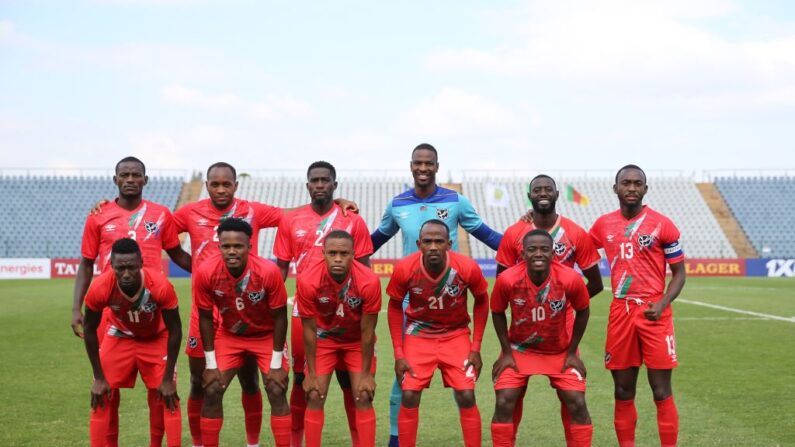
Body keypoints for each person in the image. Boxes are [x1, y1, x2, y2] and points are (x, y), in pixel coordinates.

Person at [371, 143, 502, 447]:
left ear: (437, 166)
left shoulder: (455, 201)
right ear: (411, 166)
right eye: (418, 163)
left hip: (449, 293)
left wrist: (520, 243)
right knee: (403, 380)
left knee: (463, 386)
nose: (423, 168)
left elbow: (485, 233)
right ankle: (396, 438)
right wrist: (343, 236)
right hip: (410, 300)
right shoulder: (397, 204)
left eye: (429, 163)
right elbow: (375, 239)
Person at [73, 156, 191, 447]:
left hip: (153, 305)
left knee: (159, 391)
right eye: (124, 175)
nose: (129, 179)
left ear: (145, 180)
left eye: (135, 175)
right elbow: (87, 264)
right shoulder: (98, 215)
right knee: (106, 390)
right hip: (110, 311)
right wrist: (76, 308)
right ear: (115, 180)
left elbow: (177, 254)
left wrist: (211, 269)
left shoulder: (161, 214)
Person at [174, 162, 282, 447]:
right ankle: (199, 442)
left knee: (252, 382)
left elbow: (293, 217)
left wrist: (334, 204)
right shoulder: (188, 212)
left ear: (235, 185)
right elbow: (161, 234)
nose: (221, 189)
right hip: (208, 310)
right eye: (214, 184)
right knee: (201, 383)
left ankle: (253, 442)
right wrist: (194, 266)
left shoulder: (253, 211)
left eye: (226, 184)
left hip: (248, 309)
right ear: (207, 185)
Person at [495, 174, 603, 443]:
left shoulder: (576, 233)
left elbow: (596, 284)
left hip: (561, 336)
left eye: (548, 189)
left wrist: (563, 303)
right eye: (537, 190)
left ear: (556, 194)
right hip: (521, 339)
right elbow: (502, 285)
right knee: (508, 397)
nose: (543, 193)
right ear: (529, 196)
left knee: (575, 400)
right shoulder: (514, 233)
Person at [273, 161, 373, 446]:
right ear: (307, 185)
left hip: (349, 313)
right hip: (306, 312)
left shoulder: (352, 220)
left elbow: (365, 267)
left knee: (351, 384)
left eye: (325, 180)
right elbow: (280, 269)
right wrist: (269, 303)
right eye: (314, 180)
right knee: (303, 381)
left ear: (334, 185)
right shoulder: (290, 220)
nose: (320, 185)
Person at [589, 165, 686, 447]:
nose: (631, 188)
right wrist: (535, 222)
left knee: (660, 389)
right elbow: (577, 247)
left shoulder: (662, 224)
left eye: (637, 183)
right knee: (622, 390)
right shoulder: (602, 225)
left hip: (654, 313)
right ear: (615, 188)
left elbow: (679, 273)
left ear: (645, 189)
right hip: (621, 311)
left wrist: (663, 302)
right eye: (626, 183)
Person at [386, 220, 489, 447]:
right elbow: (394, 307)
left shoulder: (466, 267)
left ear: (449, 244)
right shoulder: (405, 268)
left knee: (466, 394)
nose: (433, 246)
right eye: (428, 241)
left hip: (456, 334)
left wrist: (476, 348)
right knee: (410, 394)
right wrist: (398, 353)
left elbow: (482, 300)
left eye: (439, 241)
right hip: (419, 334)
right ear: (419, 244)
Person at [490, 230, 593, 447]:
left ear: (553, 253)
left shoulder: (570, 278)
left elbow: (583, 310)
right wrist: (506, 352)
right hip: (519, 350)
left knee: (577, 402)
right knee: (504, 400)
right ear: (523, 253)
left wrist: (573, 352)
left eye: (544, 249)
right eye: (532, 249)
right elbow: (497, 311)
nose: (538, 254)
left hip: (559, 351)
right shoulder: (507, 279)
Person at [194, 218, 291, 447]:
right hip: (230, 336)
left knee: (276, 388)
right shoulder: (206, 271)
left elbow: (280, 317)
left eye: (238, 246)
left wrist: (277, 364)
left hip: (266, 336)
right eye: (226, 246)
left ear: (249, 246)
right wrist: (210, 364)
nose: (232, 251)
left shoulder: (268, 271)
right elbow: (206, 318)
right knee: (212, 387)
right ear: (219, 247)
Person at [82, 238, 182, 447]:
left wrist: (167, 378)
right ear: (111, 266)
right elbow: (90, 329)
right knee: (101, 394)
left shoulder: (161, 286)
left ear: (141, 263)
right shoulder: (100, 287)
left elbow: (175, 330)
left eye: (131, 268)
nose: (126, 274)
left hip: (156, 337)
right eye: (120, 268)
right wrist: (99, 377)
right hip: (119, 335)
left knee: (167, 397)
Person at [296, 230, 381, 447]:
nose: (338, 259)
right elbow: (308, 329)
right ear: (323, 253)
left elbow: (368, 332)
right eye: (332, 253)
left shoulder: (369, 281)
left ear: (353, 254)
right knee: (314, 394)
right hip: (324, 339)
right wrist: (312, 373)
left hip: (355, 342)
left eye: (344, 253)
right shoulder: (308, 280)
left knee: (363, 394)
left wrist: (365, 374)